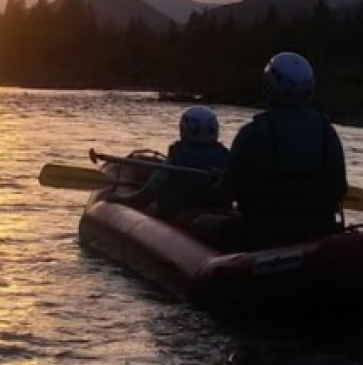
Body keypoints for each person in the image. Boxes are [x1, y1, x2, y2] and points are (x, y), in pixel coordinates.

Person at [220, 52, 347, 246]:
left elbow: (226, 192)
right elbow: (339, 188)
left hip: (262, 233)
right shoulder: (327, 132)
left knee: (202, 225)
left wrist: (214, 186)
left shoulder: (252, 133)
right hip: (319, 232)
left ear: (269, 86)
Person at [119, 106, 231, 218]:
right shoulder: (226, 157)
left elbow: (145, 196)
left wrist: (117, 201)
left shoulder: (175, 159)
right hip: (220, 215)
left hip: (179, 215)